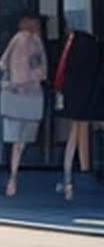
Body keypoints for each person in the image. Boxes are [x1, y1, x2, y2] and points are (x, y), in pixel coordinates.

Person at [0, 13, 47, 198]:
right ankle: (13, 176)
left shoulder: (16, 40)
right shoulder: (34, 42)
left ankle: (13, 176)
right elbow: (40, 70)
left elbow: (2, 63)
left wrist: (10, 81)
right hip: (29, 96)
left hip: (13, 94)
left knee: (16, 141)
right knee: (21, 141)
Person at [53, 26, 102, 202]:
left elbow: (62, 73)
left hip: (77, 99)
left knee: (75, 134)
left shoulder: (74, 48)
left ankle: (74, 174)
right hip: (88, 100)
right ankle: (82, 169)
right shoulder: (90, 48)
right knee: (80, 131)